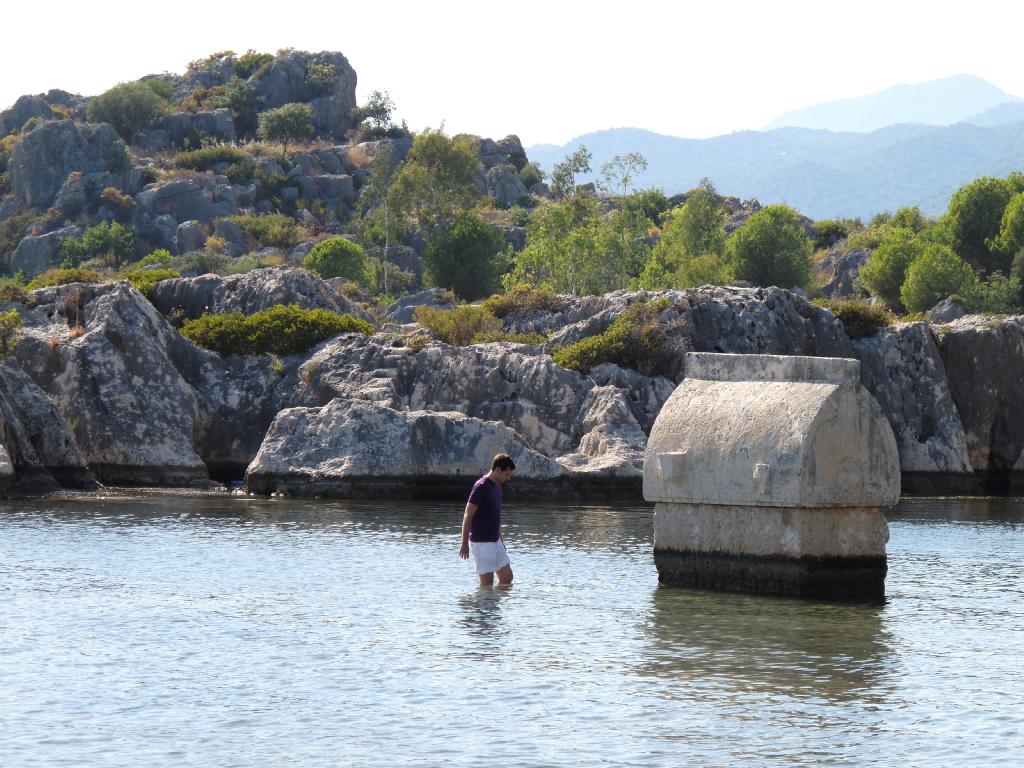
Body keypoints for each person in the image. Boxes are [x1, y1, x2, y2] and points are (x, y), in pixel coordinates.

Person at [459, 454, 516, 586]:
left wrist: (500, 539)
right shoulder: (480, 487)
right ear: (497, 470)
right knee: (487, 584)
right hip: (481, 542)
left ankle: (496, 604)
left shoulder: (497, 487)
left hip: (495, 540)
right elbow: (468, 515)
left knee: (507, 578)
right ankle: (481, 605)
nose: (509, 478)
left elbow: (495, 515)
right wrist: (464, 543)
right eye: (506, 474)